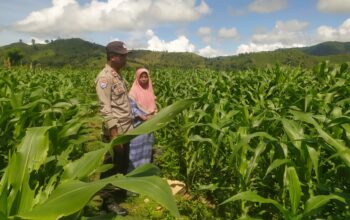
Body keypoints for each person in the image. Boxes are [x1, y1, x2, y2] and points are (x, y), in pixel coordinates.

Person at [95, 41, 132, 216]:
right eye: (123, 55)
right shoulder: (105, 78)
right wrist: (114, 136)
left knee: (122, 164)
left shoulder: (118, 75)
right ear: (113, 57)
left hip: (126, 129)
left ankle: (119, 192)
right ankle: (107, 202)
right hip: (115, 133)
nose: (126, 58)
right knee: (110, 167)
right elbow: (106, 109)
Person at [128, 68, 157, 171]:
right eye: (142, 77)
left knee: (147, 149)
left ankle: (144, 171)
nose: (144, 79)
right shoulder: (133, 91)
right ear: (137, 77)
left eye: (146, 77)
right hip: (139, 125)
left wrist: (154, 116)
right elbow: (132, 108)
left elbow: (153, 106)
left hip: (149, 124)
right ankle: (134, 173)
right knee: (136, 149)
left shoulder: (149, 90)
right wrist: (144, 117)